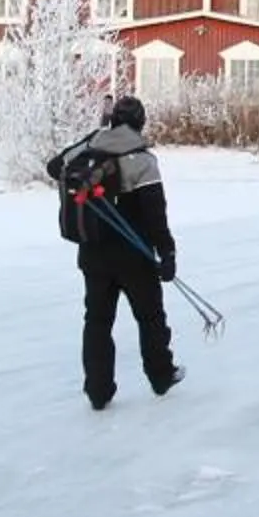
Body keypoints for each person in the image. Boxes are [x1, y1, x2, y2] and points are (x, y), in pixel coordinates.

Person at [68, 95, 182, 410]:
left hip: (93, 253)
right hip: (135, 255)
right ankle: (161, 375)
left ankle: (98, 391)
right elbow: (155, 213)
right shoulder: (142, 159)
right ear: (140, 122)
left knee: (97, 321)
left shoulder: (89, 147)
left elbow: (56, 167)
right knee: (150, 317)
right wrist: (167, 253)